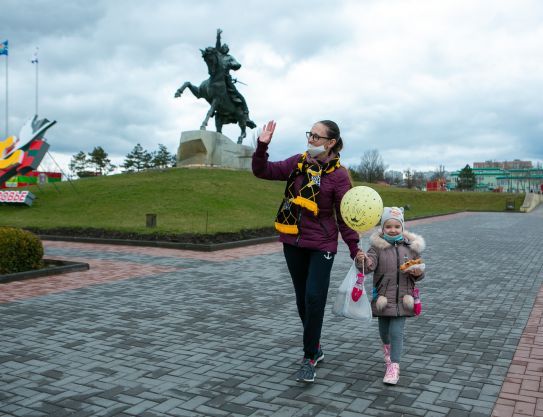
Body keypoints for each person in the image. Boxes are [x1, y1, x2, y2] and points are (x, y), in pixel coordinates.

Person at [252, 120, 360, 383]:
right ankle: (317, 347)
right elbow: (262, 170)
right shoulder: (297, 163)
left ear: (330, 142)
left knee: (314, 297)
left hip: (322, 244)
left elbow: (344, 216)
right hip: (293, 243)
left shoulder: (339, 176)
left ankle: (309, 356)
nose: (310, 139)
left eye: (315, 136)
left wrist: (355, 249)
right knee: (303, 299)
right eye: (309, 134)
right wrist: (262, 146)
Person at [355, 207, 426, 385]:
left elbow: (420, 272)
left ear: (402, 227)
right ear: (382, 228)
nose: (393, 230)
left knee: (396, 333)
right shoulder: (376, 248)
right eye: (389, 226)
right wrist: (362, 260)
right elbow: (369, 266)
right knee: (384, 332)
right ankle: (387, 350)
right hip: (383, 299)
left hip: (403, 299)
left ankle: (394, 365)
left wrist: (417, 272)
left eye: (397, 226)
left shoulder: (411, 248)